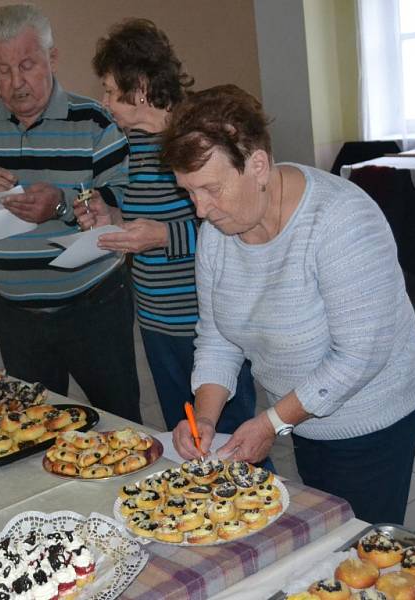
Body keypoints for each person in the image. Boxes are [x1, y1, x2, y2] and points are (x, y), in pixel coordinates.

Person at [167, 84, 415, 524]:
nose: (199, 209)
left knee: (359, 543)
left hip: (373, 417)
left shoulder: (341, 220)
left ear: (257, 165)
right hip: (302, 415)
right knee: (324, 527)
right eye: (189, 192)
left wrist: (271, 423)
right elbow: (217, 339)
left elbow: (358, 357)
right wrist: (206, 420)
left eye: (210, 189)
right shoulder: (217, 235)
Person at [0, 4, 141, 423]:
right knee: (32, 427)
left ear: (53, 58)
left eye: (27, 66)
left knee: (121, 421)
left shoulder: (94, 122)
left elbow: (124, 201)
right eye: (3, 70)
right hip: (17, 316)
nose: (16, 82)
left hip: (95, 306)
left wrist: (63, 204)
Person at [75, 18, 257, 434]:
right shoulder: (133, 143)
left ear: (139, 87)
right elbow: (145, 215)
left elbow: (233, 227)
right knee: (186, 435)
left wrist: (160, 236)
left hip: (207, 324)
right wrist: (112, 220)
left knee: (230, 439)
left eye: (108, 89)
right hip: (156, 319)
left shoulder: (199, 136)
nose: (103, 101)